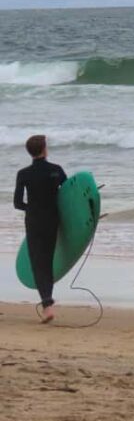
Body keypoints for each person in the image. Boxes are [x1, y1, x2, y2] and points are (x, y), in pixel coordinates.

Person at [13, 135, 67, 323]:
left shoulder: (23, 174)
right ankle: (48, 304)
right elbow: (69, 197)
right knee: (48, 260)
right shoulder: (56, 171)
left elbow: (18, 203)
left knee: (38, 263)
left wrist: (33, 208)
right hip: (52, 221)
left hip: (34, 222)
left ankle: (47, 305)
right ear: (44, 150)